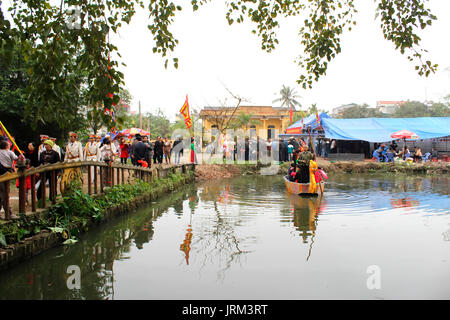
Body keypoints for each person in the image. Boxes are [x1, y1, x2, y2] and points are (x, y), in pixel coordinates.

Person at [0, 140, 19, 220]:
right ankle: (9, 213)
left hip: (2, 173)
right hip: (5, 174)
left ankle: (9, 213)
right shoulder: (9, 152)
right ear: (6, 146)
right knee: (4, 194)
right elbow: (16, 158)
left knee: (2, 194)